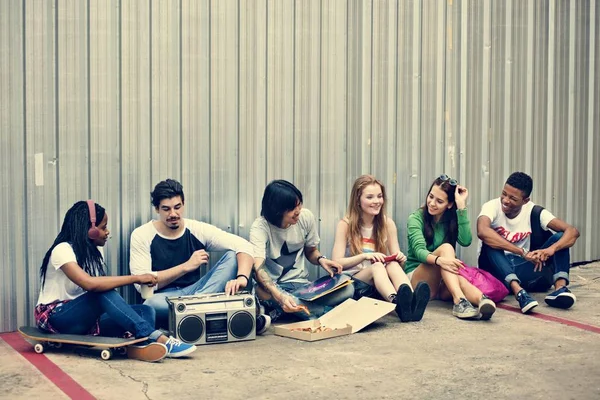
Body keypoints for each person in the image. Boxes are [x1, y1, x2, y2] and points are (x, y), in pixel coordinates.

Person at [35, 200, 196, 361]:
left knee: (145, 311)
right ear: (90, 230)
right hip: (56, 318)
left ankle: (138, 346)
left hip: (86, 321)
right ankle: (158, 338)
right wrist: (137, 278)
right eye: (103, 227)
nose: (107, 232)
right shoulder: (62, 250)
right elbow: (90, 284)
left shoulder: (95, 252)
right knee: (100, 292)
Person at [130, 179, 271, 333]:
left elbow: (244, 246)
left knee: (232, 256)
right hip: (164, 298)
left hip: (200, 292)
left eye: (177, 207)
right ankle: (229, 319)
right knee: (150, 305)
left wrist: (242, 278)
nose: (173, 214)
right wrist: (185, 267)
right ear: (157, 209)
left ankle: (193, 313)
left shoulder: (196, 229)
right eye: (166, 209)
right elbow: (140, 284)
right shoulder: (142, 234)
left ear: (183, 204)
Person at [250, 180, 354, 321]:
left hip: (301, 286)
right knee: (262, 292)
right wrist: (280, 296)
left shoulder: (305, 217)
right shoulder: (260, 227)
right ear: (277, 210)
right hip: (272, 288)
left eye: (299, 204)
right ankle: (327, 314)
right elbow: (258, 267)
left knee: (348, 289)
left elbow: (311, 251)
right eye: (292, 208)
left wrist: (321, 259)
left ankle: (285, 311)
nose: (298, 211)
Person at [331, 175, 431, 322]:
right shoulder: (346, 224)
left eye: (379, 196)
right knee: (377, 266)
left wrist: (400, 258)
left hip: (380, 285)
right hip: (354, 284)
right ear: (358, 200)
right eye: (370, 197)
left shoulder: (387, 224)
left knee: (392, 264)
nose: (376, 201)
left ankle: (411, 303)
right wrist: (364, 256)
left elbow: (399, 263)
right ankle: (397, 304)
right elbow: (336, 263)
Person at [477, 171, 580, 313]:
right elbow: (482, 231)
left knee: (560, 238)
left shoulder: (535, 211)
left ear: (525, 200)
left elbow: (572, 232)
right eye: (504, 194)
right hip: (497, 271)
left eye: (513, 198)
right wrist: (522, 252)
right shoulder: (491, 206)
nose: (505, 200)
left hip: (526, 268)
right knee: (491, 240)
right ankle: (520, 293)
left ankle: (560, 289)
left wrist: (550, 250)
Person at [405, 175, 497, 320]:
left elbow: (466, 241)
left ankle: (483, 301)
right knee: (447, 248)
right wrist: (440, 261)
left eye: (439, 201)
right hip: (417, 279)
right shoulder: (416, 218)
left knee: (459, 279)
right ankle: (459, 301)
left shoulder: (451, 219)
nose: (432, 203)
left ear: (449, 204)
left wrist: (461, 207)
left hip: (441, 282)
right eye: (431, 196)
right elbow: (418, 251)